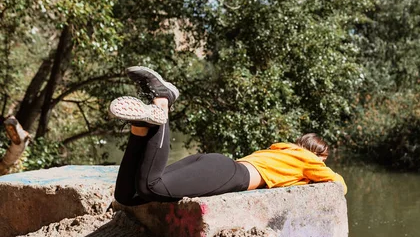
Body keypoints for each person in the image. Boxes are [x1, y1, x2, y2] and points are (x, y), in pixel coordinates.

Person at [110, 66, 347, 206]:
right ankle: (162, 100)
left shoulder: (282, 150)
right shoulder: (309, 160)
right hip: (230, 173)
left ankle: (140, 128)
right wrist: (321, 168)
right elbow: (339, 186)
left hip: (217, 164)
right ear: (319, 156)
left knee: (126, 195)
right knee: (152, 187)